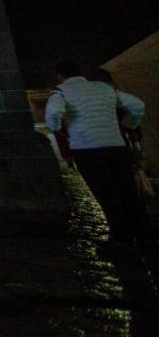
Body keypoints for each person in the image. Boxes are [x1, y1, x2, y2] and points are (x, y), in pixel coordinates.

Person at [47, 62, 147, 243]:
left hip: (87, 149)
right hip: (116, 146)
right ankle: (144, 234)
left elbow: (53, 113)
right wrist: (128, 125)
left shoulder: (60, 92)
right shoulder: (104, 87)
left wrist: (60, 129)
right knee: (128, 191)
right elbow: (138, 105)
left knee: (106, 193)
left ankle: (121, 237)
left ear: (60, 76)